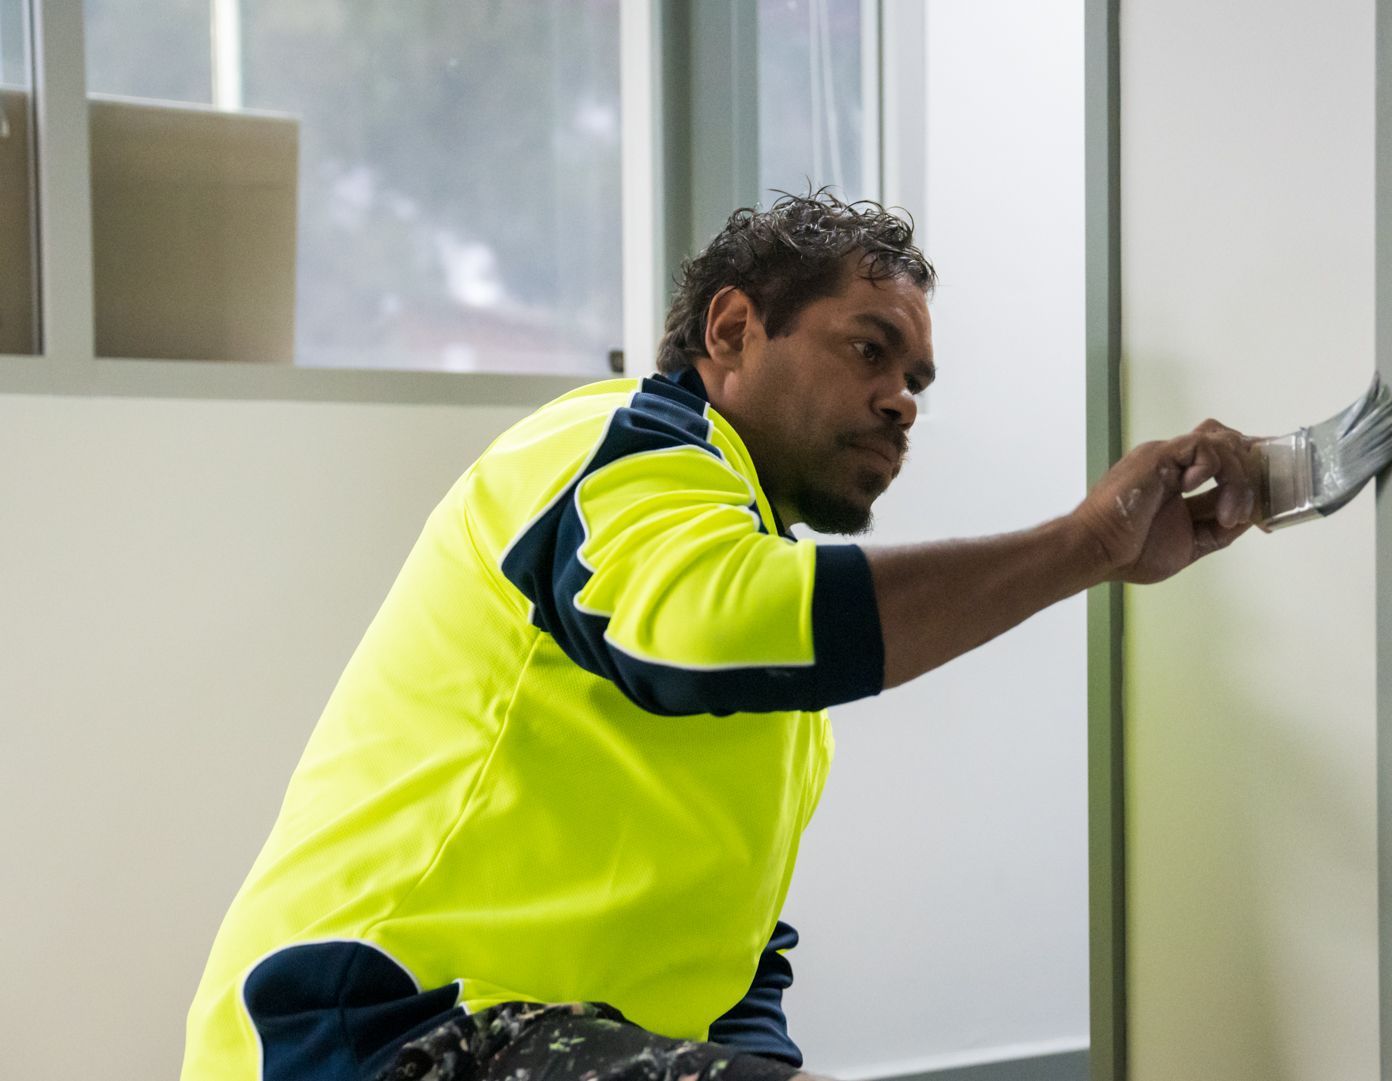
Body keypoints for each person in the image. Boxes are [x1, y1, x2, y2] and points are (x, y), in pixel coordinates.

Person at [180, 191, 1263, 1081]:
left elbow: (738, 965)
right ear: (734, 329)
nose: (900, 402)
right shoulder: (618, 446)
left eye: (916, 383)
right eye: (870, 350)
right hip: (371, 1035)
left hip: (532, 1039)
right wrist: (1088, 543)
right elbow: (705, 629)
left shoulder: (777, 695)